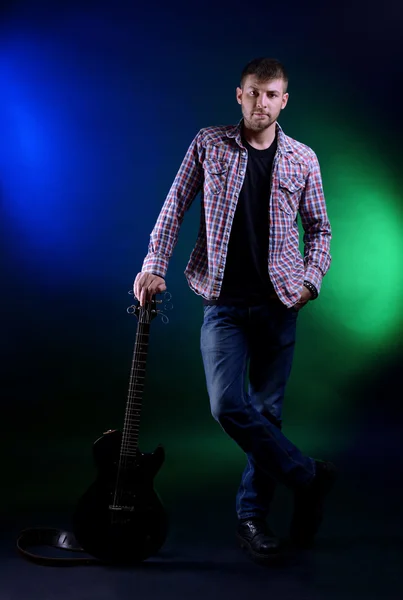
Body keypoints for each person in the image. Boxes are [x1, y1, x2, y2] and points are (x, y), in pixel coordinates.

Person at [133, 57, 337, 564]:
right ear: (239, 95)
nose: (261, 103)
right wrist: (154, 263)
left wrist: (310, 282)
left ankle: (252, 518)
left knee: (266, 412)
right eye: (253, 93)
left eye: (271, 95)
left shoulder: (303, 159)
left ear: (283, 101)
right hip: (222, 304)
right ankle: (308, 477)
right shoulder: (209, 143)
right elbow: (174, 204)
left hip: (279, 304)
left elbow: (321, 230)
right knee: (228, 405)